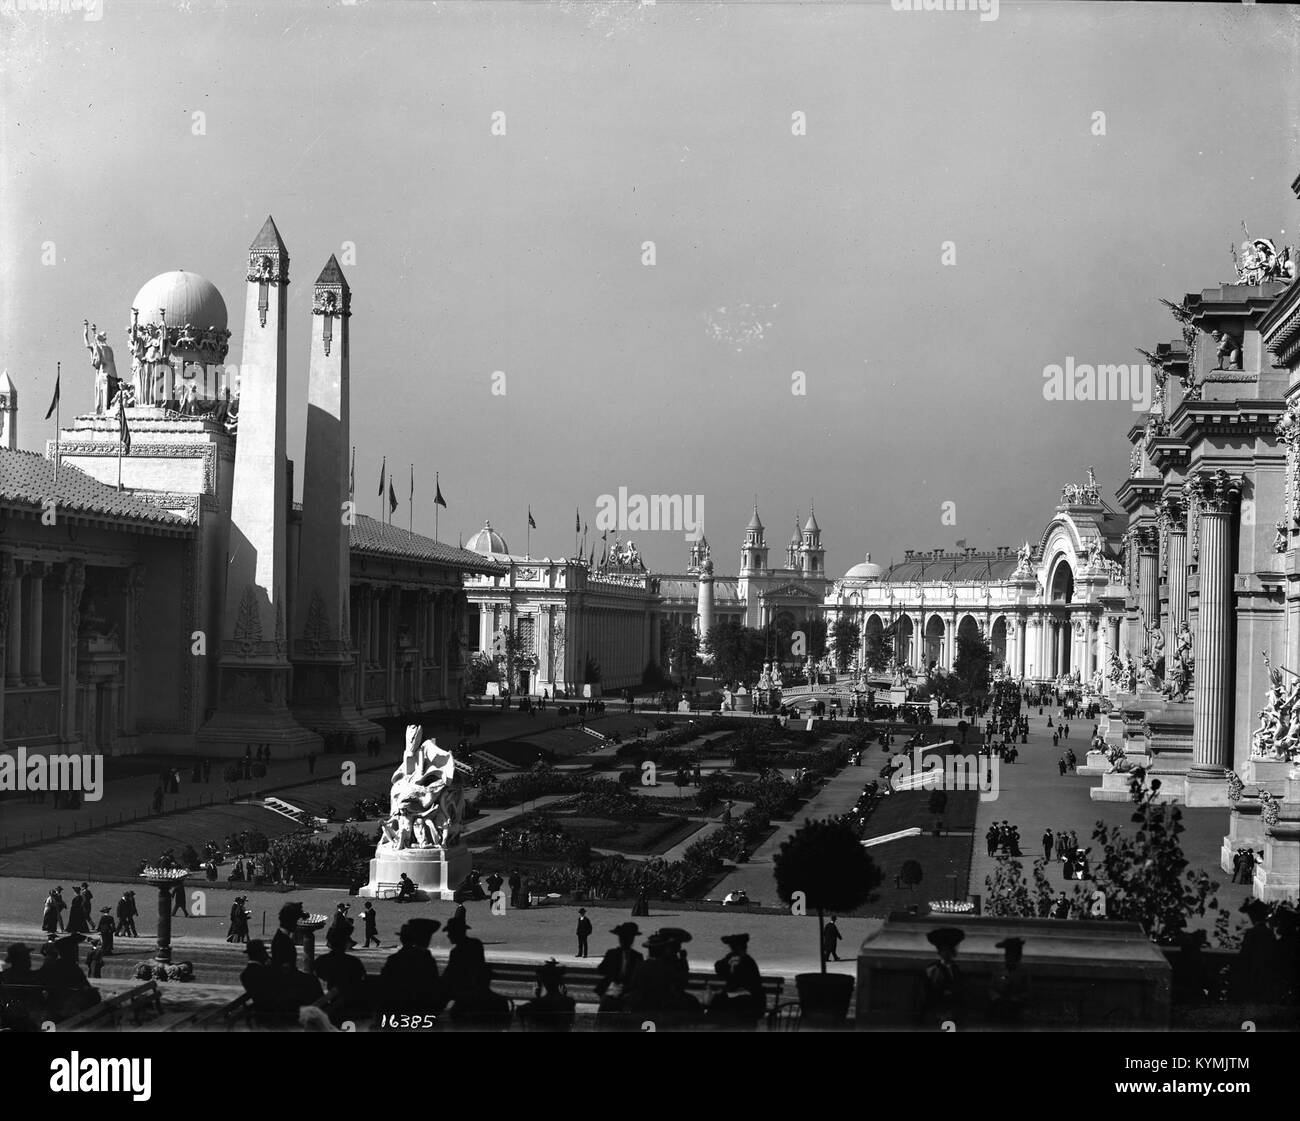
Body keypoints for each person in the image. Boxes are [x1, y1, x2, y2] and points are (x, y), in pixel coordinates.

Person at [436, 912, 509, 1027]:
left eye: (450, 933)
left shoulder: (457, 952)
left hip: (464, 989)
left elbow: (450, 973)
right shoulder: (475, 944)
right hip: (475, 985)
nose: (448, 935)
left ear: (455, 933)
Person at [378, 918, 441, 1023]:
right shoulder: (426, 959)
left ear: (401, 939)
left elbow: (385, 985)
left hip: (397, 1010)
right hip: (421, 1011)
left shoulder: (394, 959)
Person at [708, 933, 765, 1027]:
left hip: (749, 1001)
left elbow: (732, 980)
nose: (730, 949)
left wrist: (728, 958)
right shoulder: (746, 960)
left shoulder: (741, 961)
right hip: (753, 1000)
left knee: (719, 1001)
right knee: (719, 1000)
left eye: (732, 947)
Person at [314, 926, 368, 1024]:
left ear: (330, 943)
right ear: (345, 943)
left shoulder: (321, 961)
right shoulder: (354, 962)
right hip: (350, 1006)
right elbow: (362, 981)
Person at [1231, 899, 1280, 1003]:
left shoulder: (1252, 933)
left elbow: (1245, 955)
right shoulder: (1269, 934)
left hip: (1253, 974)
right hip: (1267, 975)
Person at [595, 922, 643, 1023]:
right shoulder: (612, 953)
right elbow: (601, 969)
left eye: (628, 938)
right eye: (624, 938)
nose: (625, 940)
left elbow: (639, 978)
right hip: (611, 992)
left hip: (628, 994)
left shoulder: (637, 956)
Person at [515, 959, 577, 1032]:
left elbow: (520, 1011)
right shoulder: (569, 1003)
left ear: (543, 982)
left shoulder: (536, 1004)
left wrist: (538, 997)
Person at [919, 927, 964, 1027]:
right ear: (942, 952)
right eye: (946, 950)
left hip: (953, 1010)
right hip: (937, 1011)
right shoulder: (933, 970)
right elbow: (930, 992)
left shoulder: (956, 968)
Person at [988, 937, 1030, 1024]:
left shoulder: (1024, 972)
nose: (1010, 958)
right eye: (1008, 955)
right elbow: (991, 987)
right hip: (999, 1006)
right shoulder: (998, 969)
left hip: (1016, 1006)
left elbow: (1028, 991)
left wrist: (1016, 998)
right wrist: (996, 998)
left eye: (1013, 955)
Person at [271, 902, 305, 971]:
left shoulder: (282, 938)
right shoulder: (283, 941)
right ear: (291, 921)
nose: (297, 924)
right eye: (296, 920)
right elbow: (285, 969)